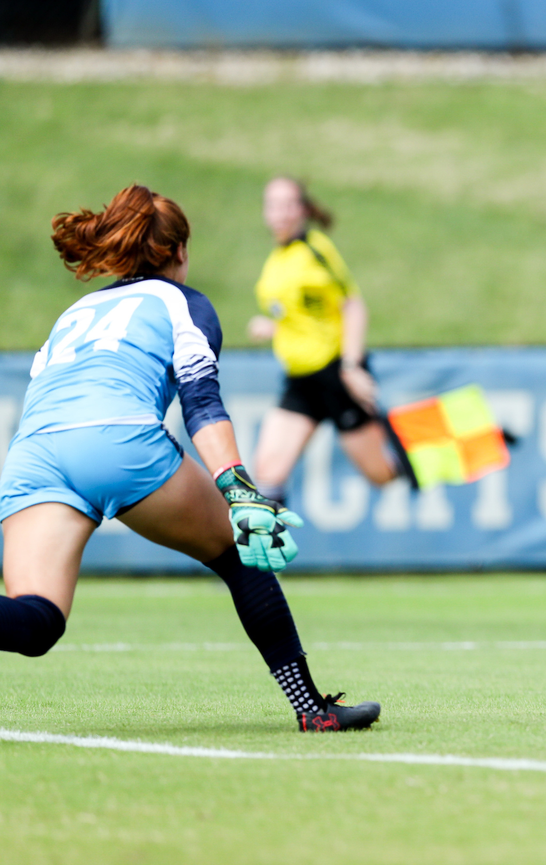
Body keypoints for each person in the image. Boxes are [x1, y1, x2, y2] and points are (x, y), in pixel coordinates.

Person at [0, 184, 380, 732]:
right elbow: (201, 402)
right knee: (236, 554)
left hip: (32, 453)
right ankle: (311, 710)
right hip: (117, 442)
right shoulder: (182, 301)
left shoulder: (75, 311)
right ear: (179, 252)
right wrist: (240, 490)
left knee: (36, 621)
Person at [247, 177, 411, 504]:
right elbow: (305, 317)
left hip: (337, 376)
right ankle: (265, 554)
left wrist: (351, 367)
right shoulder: (276, 259)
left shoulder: (315, 249)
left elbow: (352, 305)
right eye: (272, 205)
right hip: (301, 381)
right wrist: (274, 328)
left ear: (302, 209)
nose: (279, 213)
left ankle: (447, 439)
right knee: (266, 474)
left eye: (287, 205)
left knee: (382, 474)